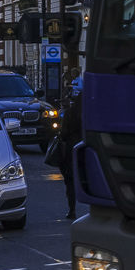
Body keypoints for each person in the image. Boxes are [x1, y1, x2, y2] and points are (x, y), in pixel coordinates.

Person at [59, 85, 83, 219]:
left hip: (71, 150)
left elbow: (64, 133)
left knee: (70, 181)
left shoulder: (70, 113)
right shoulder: (89, 112)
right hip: (86, 149)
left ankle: (72, 209)